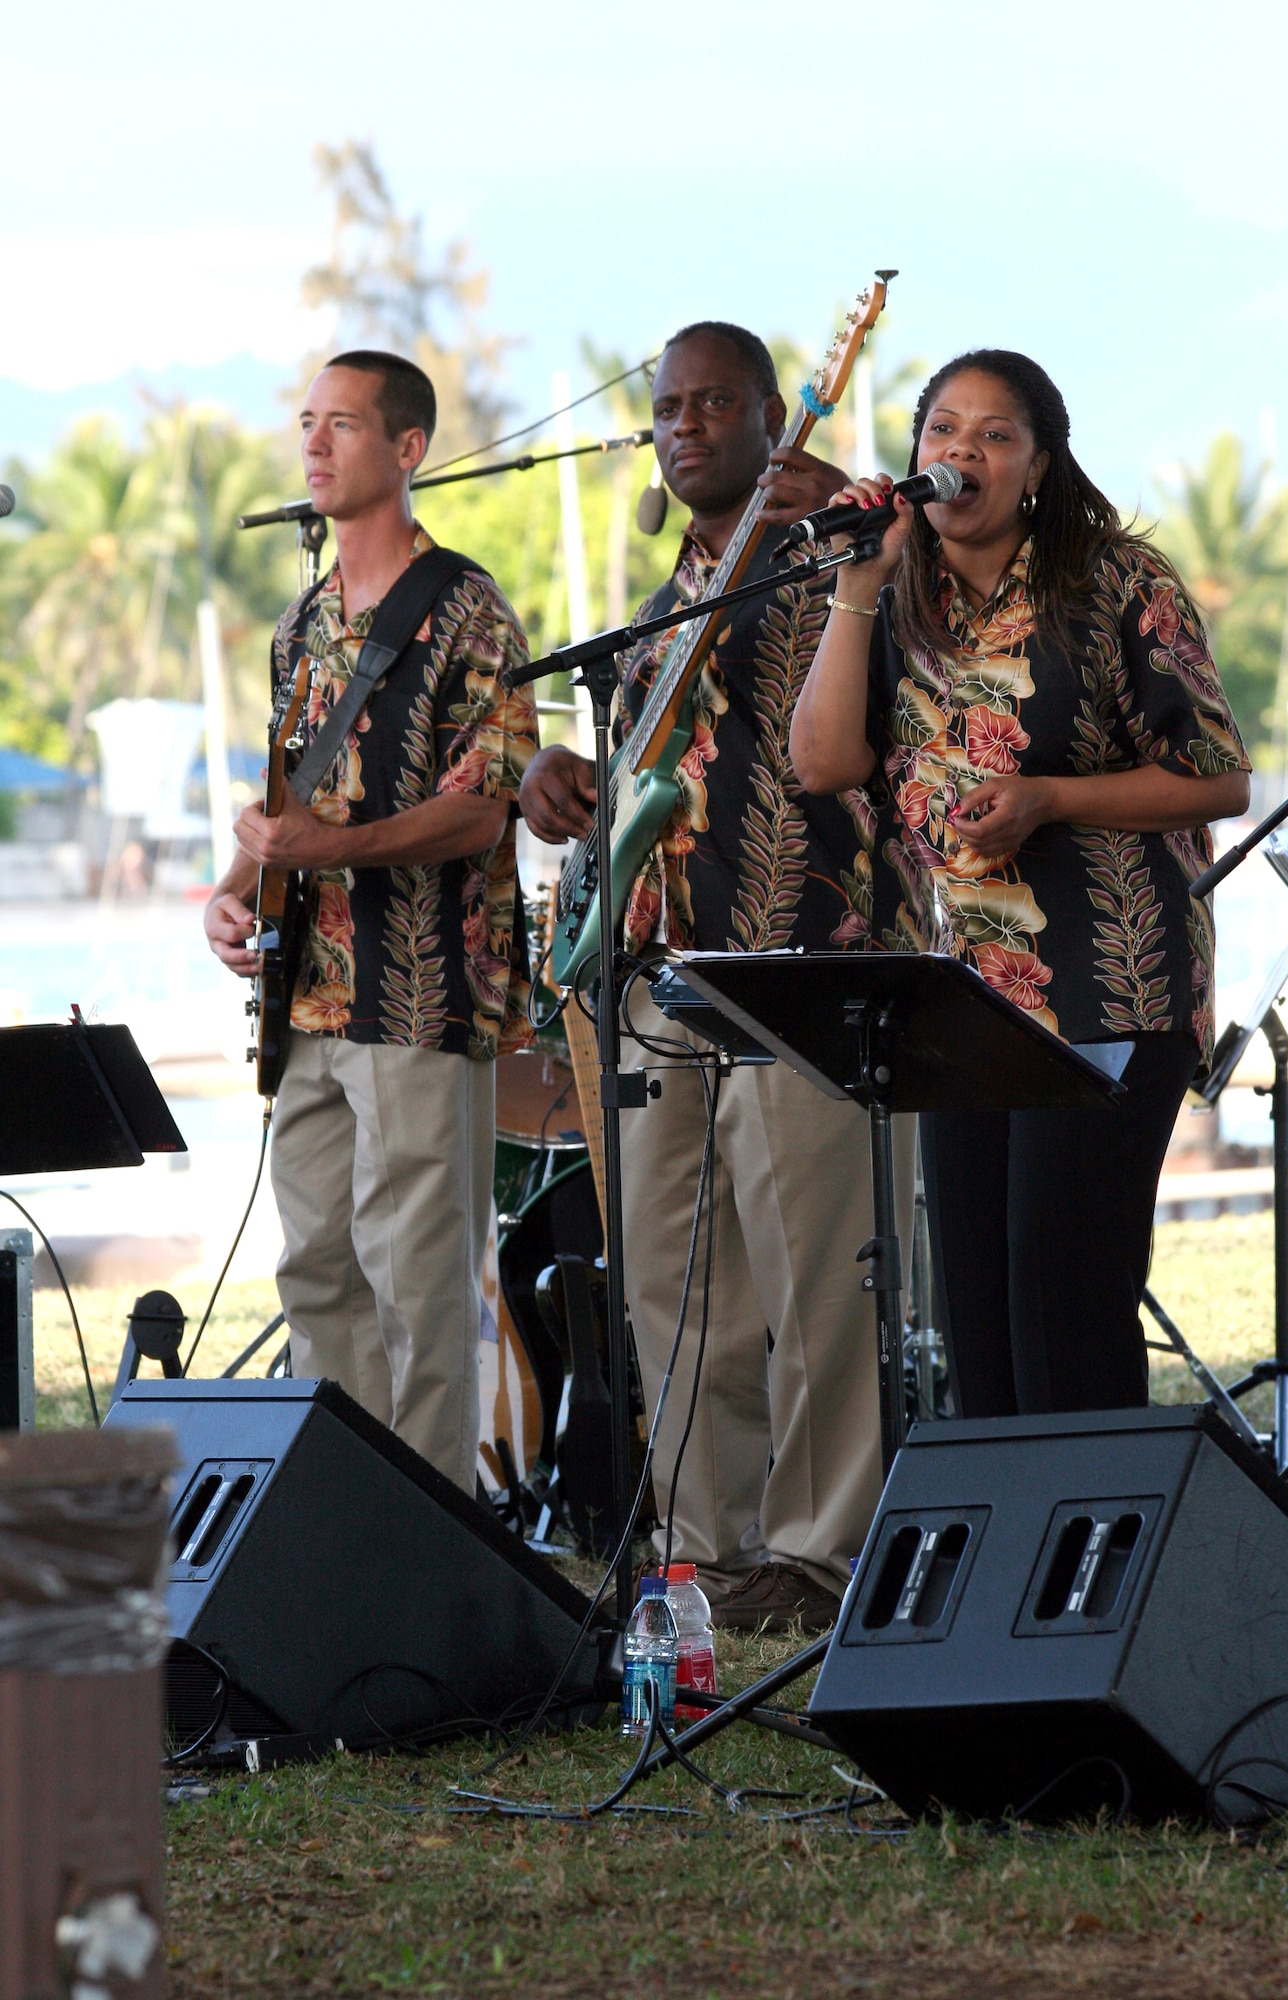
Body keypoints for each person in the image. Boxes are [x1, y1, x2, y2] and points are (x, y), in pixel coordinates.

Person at [520, 323, 916, 1630]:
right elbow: (643, 771)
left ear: (767, 417)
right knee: (674, 1279)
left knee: (813, 1275)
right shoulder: (669, 593)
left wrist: (839, 519)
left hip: (800, 960)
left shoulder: (829, 558)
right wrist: (565, 784)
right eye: (665, 408)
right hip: (659, 975)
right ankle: (706, 1547)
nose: (682, 426)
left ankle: (816, 1551)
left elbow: (871, 723)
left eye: (711, 405)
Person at [790, 348, 1250, 1418]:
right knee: (979, 1318)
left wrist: (1049, 797)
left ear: (1039, 466)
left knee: (1063, 1299)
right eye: (942, 431)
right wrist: (855, 583)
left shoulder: (1115, 581)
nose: (961, 452)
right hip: (965, 1003)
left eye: (995, 435)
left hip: (1110, 991)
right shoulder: (897, 589)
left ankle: (1099, 1566)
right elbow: (822, 763)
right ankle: (1008, 1565)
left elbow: (1215, 776)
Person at [204, 349, 537, 1491]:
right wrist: (233, 890)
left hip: (419, 992)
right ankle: (336, 1521)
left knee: (420, 1285)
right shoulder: (299, 624)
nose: (312, 442)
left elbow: (484, 812)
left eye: (341, 423)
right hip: (304, 998)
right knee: (319, 1276)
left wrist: (327, 849)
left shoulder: (468, 611)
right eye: (307, 421)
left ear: (406, 450)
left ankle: (430, 1541)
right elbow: (293, 797)